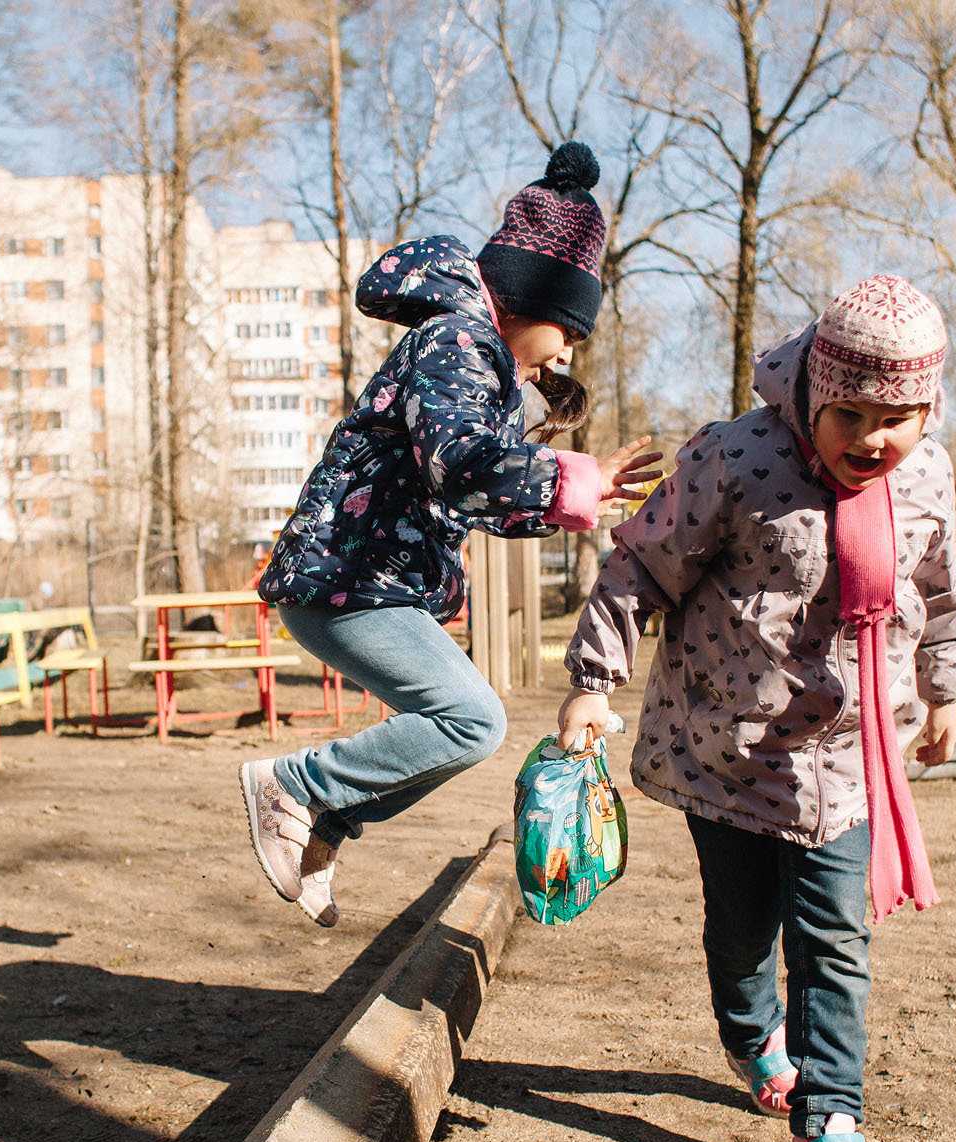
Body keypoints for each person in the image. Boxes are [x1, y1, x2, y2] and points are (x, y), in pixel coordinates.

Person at [556, 275, 956, 1142]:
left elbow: (940, 589)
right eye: (851, 412)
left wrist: (945, 687)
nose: (873, 437)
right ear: (814, 391)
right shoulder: (734, 457)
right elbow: (638, 565)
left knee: (833, 937)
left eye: (899, 416)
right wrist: (591, 679)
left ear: (930, 408)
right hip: (731, 748)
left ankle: (831, 1129)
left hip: (850, 760)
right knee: (744, 927)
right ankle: (752, 1036)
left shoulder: (927, 474)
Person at [239, 141, 662, 928]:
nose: (567, 354)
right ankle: (296, 786)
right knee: (473, 718)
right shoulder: (458, 342)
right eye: (568, 332)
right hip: (346, 577)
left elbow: (479, 495)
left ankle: (321, 828)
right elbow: (461, 464)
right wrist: (567, 476)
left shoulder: (480, 364)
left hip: (362, 580)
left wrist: (568, 502)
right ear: (530, 300)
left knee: (461, 728)